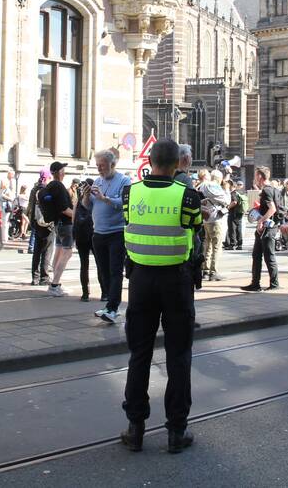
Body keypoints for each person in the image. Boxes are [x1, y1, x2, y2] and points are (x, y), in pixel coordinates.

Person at [119, 138, 202, 453]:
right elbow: (195, 234)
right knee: (178, 356)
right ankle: (176, 432)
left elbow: (130, 224)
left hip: (140, 281)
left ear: (150, 161)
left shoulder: (131, 192)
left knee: (139, 354)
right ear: (178, 164)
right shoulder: (188, 197)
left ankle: (135, 428)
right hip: (176, 282)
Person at [90, 149, 131, 321]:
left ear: (112, 164)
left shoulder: (124, 180)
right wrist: (85, 197)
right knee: (103, 270)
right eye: (97, 165)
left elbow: (125, 202)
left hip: (116, 232)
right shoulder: (97, 181)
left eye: (102, 165)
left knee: (115, 271)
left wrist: (104, 198)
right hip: (98, 232)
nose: (99, 168)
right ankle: (109, 304)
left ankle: (113, 308)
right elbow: (88, 206)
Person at [240, 167, 279, 291]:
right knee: (257, 255)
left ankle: (274, 284)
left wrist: (261, 221)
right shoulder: (274, 189)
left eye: (256, 176)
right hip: (267, 227)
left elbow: (272, 208)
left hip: (267, 227)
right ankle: (255, 283)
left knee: (268, 255)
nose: (255, 178)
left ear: (260, 177)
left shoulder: (267, 191)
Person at [40, 161, 75, 297]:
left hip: (57, 224)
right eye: (63, 169)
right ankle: (55, 284)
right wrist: (77, 216)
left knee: (59, 252)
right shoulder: (59, 187)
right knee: (67, 253)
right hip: (65, 224)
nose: (64, 171)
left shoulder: (51, 186)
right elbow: (64, 209)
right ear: (59, 172)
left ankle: (55, 282)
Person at [198, 169, 229, 281]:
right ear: (219, 178)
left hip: (206, 219)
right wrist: (226, 189)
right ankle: (214, 271)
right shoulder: (215, 186)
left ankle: (205, 270)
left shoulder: (203, 185)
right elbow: (226, 200)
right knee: (217, 245)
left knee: (207, 245)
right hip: (216, 219)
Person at [27, 169, 54, 283]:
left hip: (35, 222)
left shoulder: (34, 189)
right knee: (47, 250)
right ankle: (44, 276)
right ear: (47, 177)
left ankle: (35, 277)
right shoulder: (47, 190)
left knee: (37, 251)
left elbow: (30, 206)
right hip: (46, 224)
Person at [73, 178, 94, 302]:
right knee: (100, 264)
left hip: (81, 236)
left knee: (84, 265)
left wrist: (74, 235)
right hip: (93, 234)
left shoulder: (79, 200)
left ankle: (85, 293)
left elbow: (73, 219)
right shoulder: (96, 200)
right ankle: (104, 293)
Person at [224, 180, 245, 250]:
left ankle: (232, 244)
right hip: (240, 213)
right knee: (239, 229)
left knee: (232, 229)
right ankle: (240, 244)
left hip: (233, 213)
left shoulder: (233, 193)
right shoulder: (240, 193)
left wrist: (228, 207)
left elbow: (234, 202)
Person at [0, 169, 17, 245]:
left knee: (7, 221)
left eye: (13, 175)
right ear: (9, 174)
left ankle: (6, 236)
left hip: (9, 204)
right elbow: (1, 194)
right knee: (5, 221)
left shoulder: (12, 181)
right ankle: (4, 238)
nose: (13, 176)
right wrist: (10, 198)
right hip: (5, 204)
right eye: (12, 174)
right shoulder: (4, 181)